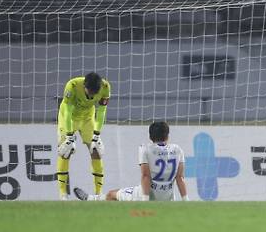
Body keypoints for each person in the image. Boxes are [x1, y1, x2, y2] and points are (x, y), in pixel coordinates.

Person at [74, 121, 189, 201]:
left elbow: (145, 176)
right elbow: (180, 178)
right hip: (168, 198)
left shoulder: (145, 149)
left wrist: (144, 200)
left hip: (144, 194)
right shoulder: (177, 149)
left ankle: (89, 199)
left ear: (150, 137)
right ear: (167, 136)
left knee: (112, 195)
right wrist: (186, 200)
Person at [56, 72, 110, 200]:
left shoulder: (105, 87)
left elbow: (102, 111)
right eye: (89, 91)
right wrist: (69, 136)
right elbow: (68, 112)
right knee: (66, 150)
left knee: (96, 150)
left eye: (94, 93)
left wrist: (97, 134)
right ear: (85, 85)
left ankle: (98, 193)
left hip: (87, 118)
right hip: (69, 117)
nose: (91, 95)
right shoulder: (72, 86)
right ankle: (63, 194)